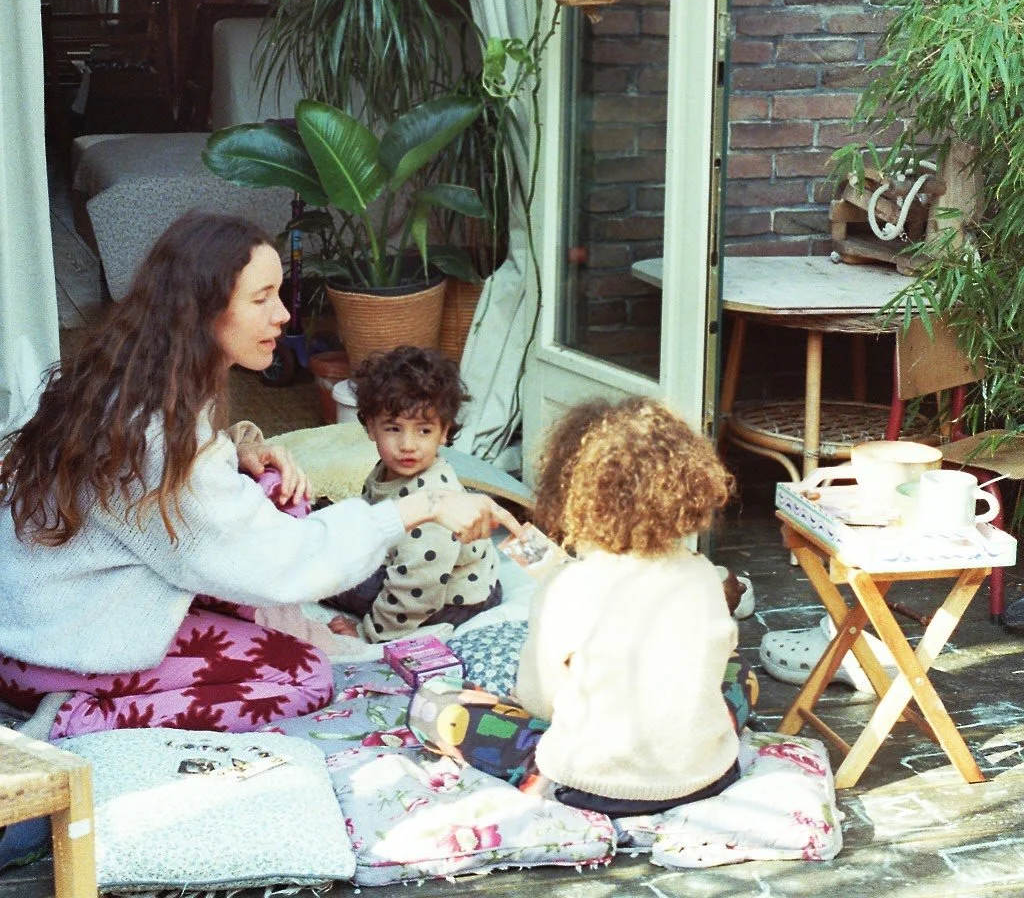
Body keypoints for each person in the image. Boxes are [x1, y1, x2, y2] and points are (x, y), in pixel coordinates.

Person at [0, 212, 514, 742]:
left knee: (277, 493)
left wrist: (242, 447)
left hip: (43, 620)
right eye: (261, 298)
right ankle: (76, 719)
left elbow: (193, 505)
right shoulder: (155, 436)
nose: (284, 315)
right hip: (53, 652)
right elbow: (277, 557)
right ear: (202, 311)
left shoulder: (139, 387)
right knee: (302, 676)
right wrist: (420, 506)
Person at [416, 396, 748, 815]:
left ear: (571, 494)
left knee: (437, 705)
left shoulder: (569, 588)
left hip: (593, 786)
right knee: (737, 671)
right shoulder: (702, 574)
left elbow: (541, 702)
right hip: (707, 776)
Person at [326, 345, 502, 642]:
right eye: (393, 429)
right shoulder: (388, 469)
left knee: (333, 580)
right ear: (371, 427)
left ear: (444, 432)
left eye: (423, 431)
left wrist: (370, 631)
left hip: (453, 598)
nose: (408, 445)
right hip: (420, 569)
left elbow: (419, 587)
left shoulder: (434, 504)